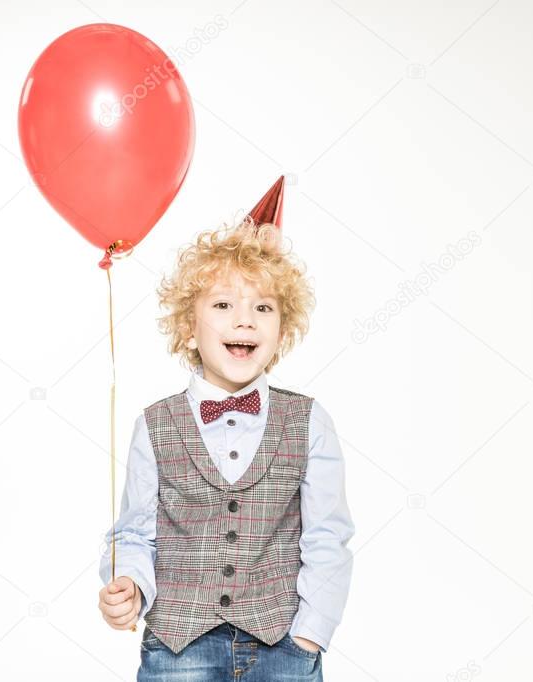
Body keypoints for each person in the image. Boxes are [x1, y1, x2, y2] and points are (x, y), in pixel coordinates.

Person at [97, 178, 354, 681]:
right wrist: (128, 582)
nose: (245, 321)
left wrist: (310, 635)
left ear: (282, 329)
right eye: (222, 306)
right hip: (178, 651)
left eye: (263, 307)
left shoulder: (309, 421)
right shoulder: (154, 424)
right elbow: (135, 532)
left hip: (284, 648)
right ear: (188, 326)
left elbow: (328, 534)